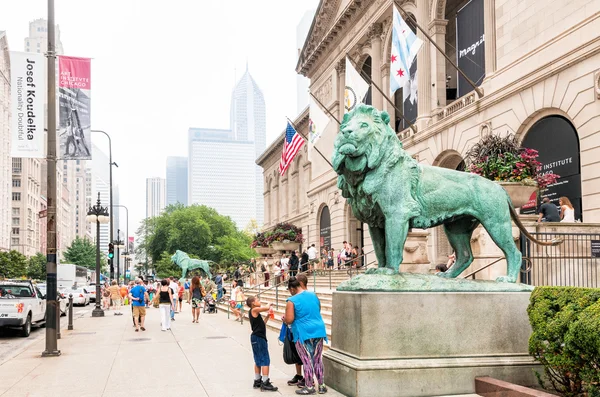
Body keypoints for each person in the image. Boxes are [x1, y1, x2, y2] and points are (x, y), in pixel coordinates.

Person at [284, 274, 328, 395]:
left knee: (307, 360)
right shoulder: (313, 295)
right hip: (318, 329)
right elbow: (317, 309)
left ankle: (309, 386)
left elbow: (289, 319)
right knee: (317, 359)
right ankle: (322, 385)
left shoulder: (291, 300)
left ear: (292, 288)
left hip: (303, 333)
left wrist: (285, 319)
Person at [246, 295, 278, 392]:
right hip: (259, 338)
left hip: (256, 337)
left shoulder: (254, 312)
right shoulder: (254, 310)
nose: (259, 301)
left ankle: (257, 380)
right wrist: (270, 304)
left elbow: (262, 325)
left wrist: (268, 316)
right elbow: (266, 307)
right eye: (257, 300)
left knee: (258, 359)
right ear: (253, 303)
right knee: (265, 360)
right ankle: (265, 382)